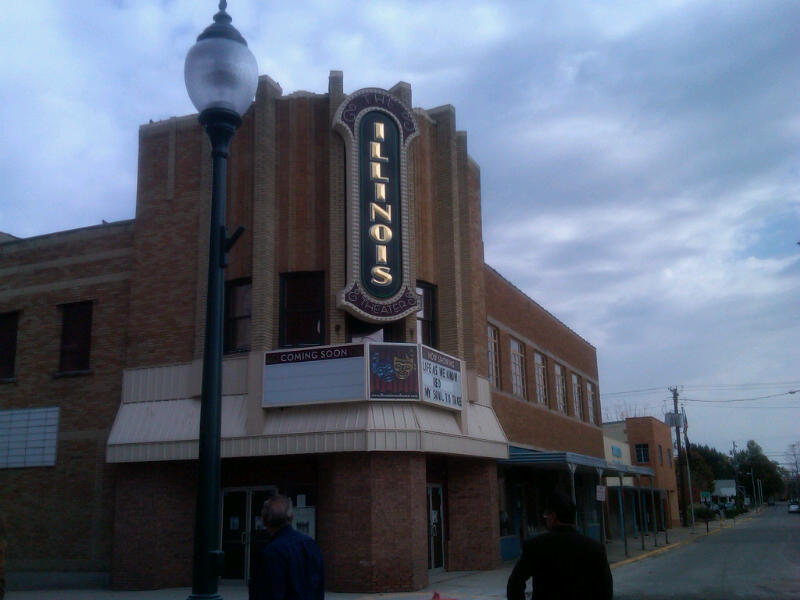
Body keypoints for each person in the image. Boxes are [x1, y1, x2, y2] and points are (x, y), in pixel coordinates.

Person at [507, 491, 612, 600]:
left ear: (553, 517)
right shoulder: (595, 548)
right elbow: (605, 590)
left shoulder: (535, 546)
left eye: (546, 515)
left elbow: (514, 584)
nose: (545, 518)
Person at [249, 494, 324, 600]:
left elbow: (267, 593)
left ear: (264, 521)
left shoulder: (271, 552)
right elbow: (319, 587)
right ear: (291, 517)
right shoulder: (310, 545)